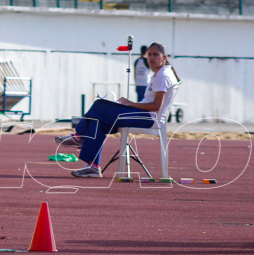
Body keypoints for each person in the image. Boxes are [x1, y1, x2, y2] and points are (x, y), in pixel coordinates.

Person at [56, 41, 179, 178]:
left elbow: (156, 106)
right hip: (142, 114)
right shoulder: (160, 74)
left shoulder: (163, 76)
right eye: (149, 54)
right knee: (97, 122)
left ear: (164, 57)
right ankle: (92, 166)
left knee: (99, 105)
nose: (151, 58)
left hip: (148, 118)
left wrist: (131, 103)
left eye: (156, 55)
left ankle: (79, 136)